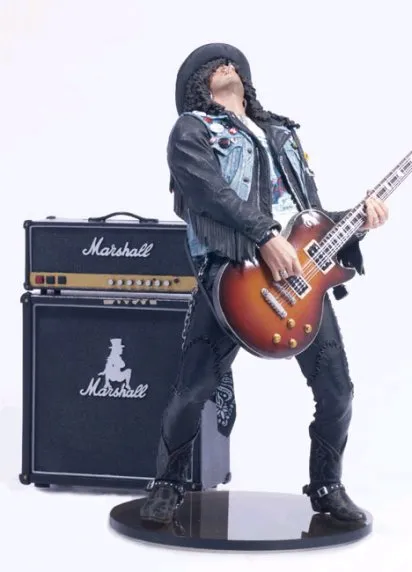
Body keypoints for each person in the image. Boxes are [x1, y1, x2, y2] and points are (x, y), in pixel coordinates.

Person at [140, 43, 388, 525]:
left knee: (338, 391)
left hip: (300, 278)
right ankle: (167, 484)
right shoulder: (193, 130)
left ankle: (327, 484)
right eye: (210, 64)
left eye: (230, 60)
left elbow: (310, 216)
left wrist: (358, 220)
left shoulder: (281, 133)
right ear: (196, 87)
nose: (224, 62)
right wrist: (264, 237)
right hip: (233, 273)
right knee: (192, 390)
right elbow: (208, 192)